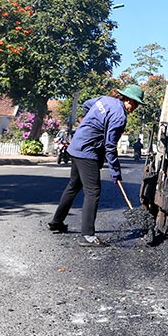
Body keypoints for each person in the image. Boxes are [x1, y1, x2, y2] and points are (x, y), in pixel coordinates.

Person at [47, 84, 145, 247]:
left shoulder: (105, 100)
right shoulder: (120, 115)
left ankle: (57, 222)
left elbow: (86, 105)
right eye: (135, 103)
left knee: (73, 186)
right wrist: (115, 172)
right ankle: (88, 235)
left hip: (76, 145)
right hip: (88, 151)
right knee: (93, 192)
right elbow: (110, 146)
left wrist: (91, 123)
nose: (135, 107)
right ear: (127, 99)